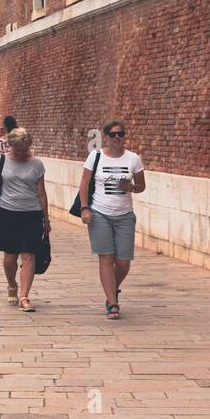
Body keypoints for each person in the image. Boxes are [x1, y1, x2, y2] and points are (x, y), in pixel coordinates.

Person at [79, 119, 146, 320]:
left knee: (123, 262)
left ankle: (112, 288)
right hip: (100, 213)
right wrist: (85, 208)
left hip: (125, 215)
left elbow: (141, 186)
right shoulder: (95, 156)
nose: (118, 138)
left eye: (121, 134)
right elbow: (84, 183)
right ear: (106, 137)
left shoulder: (133, 159)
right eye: (114, 134)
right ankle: (112, 303)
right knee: (106, 258)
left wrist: (131, 188)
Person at [0, 127, 49, 312]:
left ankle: (24, 296)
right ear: (11, 146)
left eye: (25, 150)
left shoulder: (37, 164)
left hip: (32, 214)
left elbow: (42, 193)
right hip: (7, 213)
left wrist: (46, 219)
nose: (22, 154)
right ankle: (11, 284)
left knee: (29, 255)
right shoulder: (1, 161)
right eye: (18, 150)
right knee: (9, 259)